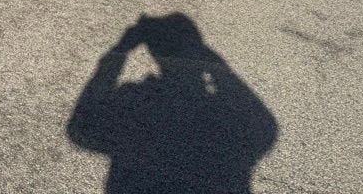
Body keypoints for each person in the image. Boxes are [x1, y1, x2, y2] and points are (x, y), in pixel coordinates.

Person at [68, 13, 278, 194]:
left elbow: (81, 127)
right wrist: (204, 53)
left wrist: (120, 51)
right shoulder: (256, 134)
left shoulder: (262, 135)